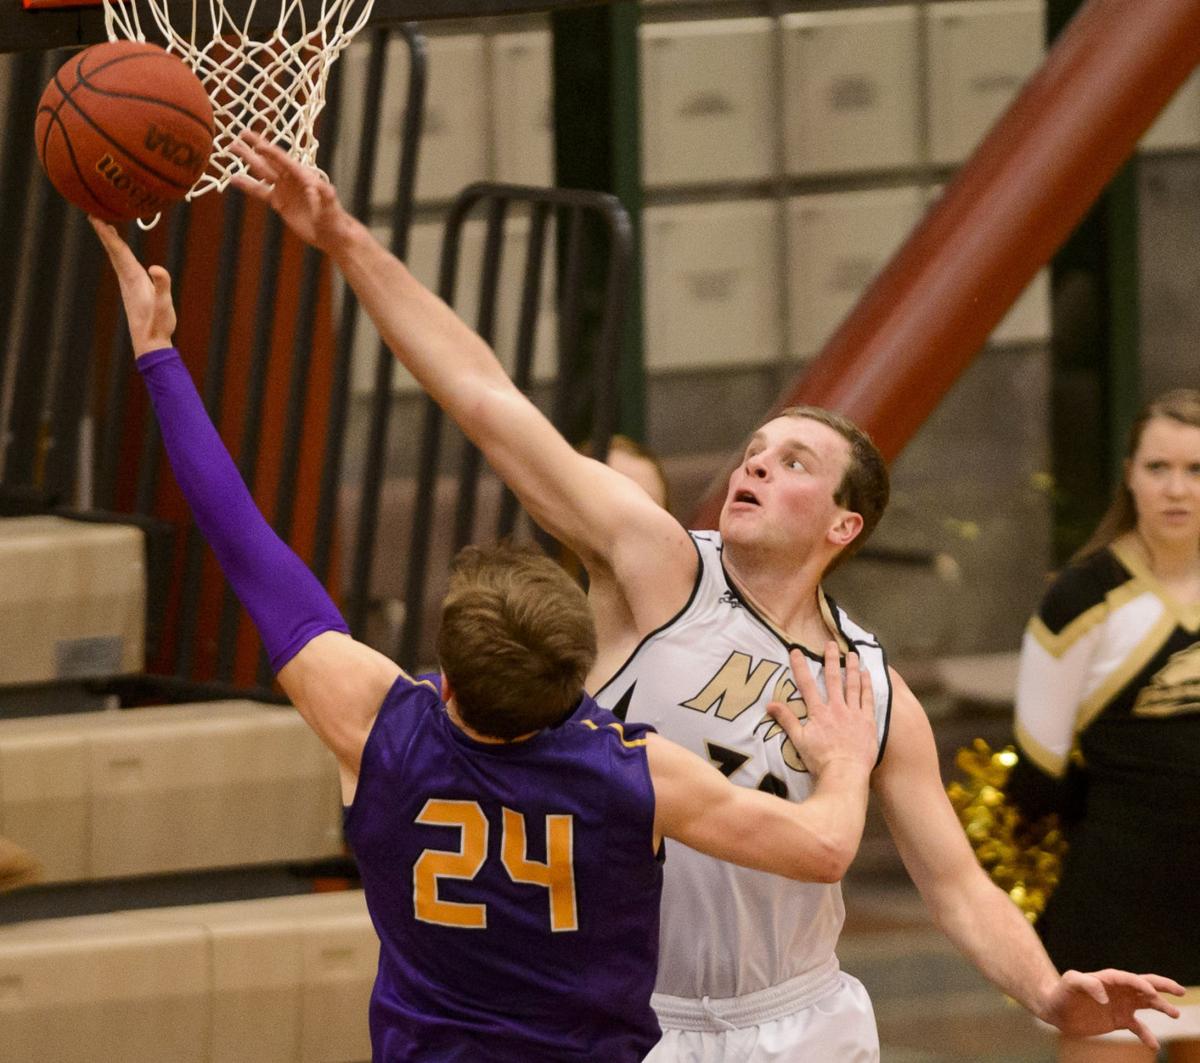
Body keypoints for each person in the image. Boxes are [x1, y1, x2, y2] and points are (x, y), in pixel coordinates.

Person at [228, 136, 1184, 1059]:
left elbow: (956, 886)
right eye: (754, 452)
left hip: (802, 1011)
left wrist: (1046, 987)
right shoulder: (660, 570)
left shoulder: (869, 691)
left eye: (793, 461)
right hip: (641, 1017)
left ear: (843, 525)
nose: (756, 466)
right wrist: (347, 242)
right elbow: (487, 400)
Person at [91, 216, 884, 1062]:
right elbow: (825, 846)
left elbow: (241, 536)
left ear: (446, 678)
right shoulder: (634, 771)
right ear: (583, 675)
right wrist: (839, 763)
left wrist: (160, 357)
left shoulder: (380, 728)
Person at [1007, 389, 1200, 1063]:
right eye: (1158, 467)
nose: (1176, 489)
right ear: (1129, 473)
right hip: (1117, 898)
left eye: (1196, 470)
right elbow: (1036, 771)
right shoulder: (1082, 597)